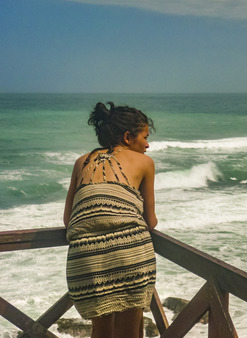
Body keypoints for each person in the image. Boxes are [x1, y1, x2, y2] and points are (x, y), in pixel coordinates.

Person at [64, 102, 158, 338]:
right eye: (145, 137)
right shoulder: (145, 162)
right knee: (129, 333)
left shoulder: (81, 161)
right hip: (130, 253)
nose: (147, 144)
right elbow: (151, 221)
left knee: (101, 333)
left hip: (86, 258)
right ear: (128, 137)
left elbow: (68, 219)